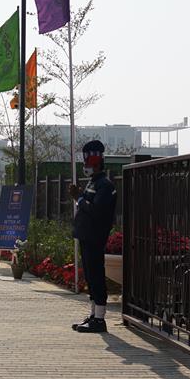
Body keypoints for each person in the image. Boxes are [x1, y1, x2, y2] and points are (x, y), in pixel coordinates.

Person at [72, 140, 118, 334]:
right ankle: (93, 315)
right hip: (86, 236)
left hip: (95, 237)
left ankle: (99, 318)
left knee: (96, 276)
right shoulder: (93, 182)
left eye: (88, 163)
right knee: (90, 276)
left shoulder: (105, 186)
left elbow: (97, 211)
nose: (85, 166)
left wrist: (80, 198)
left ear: (97, 164)